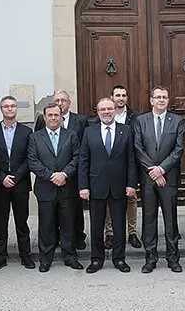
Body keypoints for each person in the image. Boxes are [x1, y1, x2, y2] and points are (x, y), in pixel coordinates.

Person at [79, 98, 138, 273]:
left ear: (115, 110)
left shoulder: (126, 131)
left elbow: (131, 159)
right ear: (97, 111)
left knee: (119, 226)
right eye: (103, 109)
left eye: (109, 109)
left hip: (120, 186)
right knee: (96, 225)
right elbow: (83, 160)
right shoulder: (89, 132)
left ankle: (119, 259)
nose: (106, 112)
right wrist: (83, 186)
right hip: (96, 185)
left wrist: (131, 184)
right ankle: (97, 259)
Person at [133, 86, 185, 273]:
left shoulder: (178, 121)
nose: (161, 100)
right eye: (158, 97)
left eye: (164, 97)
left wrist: (162, 169)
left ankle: (173, 257)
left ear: (168, 99)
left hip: (169, 177)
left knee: (171, 219)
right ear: (151, 100)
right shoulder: (140, 121)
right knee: (149, 219)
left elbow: (179, 149)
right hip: (148, 179)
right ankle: (150, 257)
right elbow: (138, 148)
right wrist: (154, 172)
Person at [28, 103, 83, 272]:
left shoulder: (71, 135)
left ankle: (70, 256)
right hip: (46, 188)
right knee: (46, 225)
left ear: (61, 116)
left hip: (67, 187)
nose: (53, 118)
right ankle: (45, 259)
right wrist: (52, 175)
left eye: (56, 115)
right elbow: (33, 161)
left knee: (68, 224)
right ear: (44, 117)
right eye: (50, 115)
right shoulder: (35, 137)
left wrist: (64, 174)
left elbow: (77, 157)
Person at [35, 90, 89, 250]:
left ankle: (77, 239)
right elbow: (38, 148)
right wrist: (52, 175)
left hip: (71, 176)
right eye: (57, 100)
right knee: (49, 217)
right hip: (48, 179)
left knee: (73, 214)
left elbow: (82, 148)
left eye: (63, 100)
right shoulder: (40, 124)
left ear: (69, 102)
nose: (60, 103)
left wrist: (66, 173)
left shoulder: (79, 121)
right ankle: (52, 244)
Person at [0, 96, 34, 271]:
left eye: (13, 106)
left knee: (22, 221)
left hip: (20, 183)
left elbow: (30, 158)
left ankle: (25, 255)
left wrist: (16, 176)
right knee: (0, 222)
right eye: (6, 106)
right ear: (1, 109)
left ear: (16, 109)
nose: (10, 109)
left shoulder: (26, 132)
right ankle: (1, 256)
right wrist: (2, 177)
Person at [102, 85, 141, 250]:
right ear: (111, 97)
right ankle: (110, 234)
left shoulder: (135, 118)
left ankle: (132, 232)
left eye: (124, 95)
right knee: (108, 200)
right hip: (108, 167)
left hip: (128, 164)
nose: (121, 98)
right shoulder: (103, 116)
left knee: (131, 198)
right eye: (117, 95)